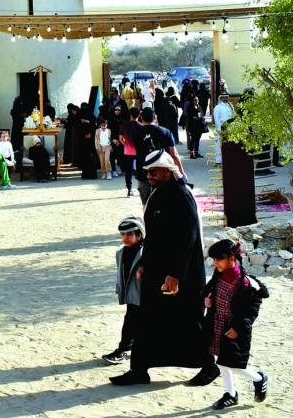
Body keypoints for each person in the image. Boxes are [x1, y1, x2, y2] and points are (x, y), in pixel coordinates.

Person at [109, 150, 218, 387]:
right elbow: (155, 237)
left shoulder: (181, 195)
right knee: (147, 320)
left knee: (188, 322)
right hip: (156, 272)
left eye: (154, 171)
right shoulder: (160, 192)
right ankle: (139, 369)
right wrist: (144, 265)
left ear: (168, 170)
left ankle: (209, 366)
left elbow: (186, 239)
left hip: (180, 276)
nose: (149, 176)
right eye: (147, 172)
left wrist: (174, 275)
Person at [203, 239, 270, 409]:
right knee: (221, 360)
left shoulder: (246, 284)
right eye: (214, 259)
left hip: (234, 329)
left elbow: (251, 311)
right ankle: (231, 394)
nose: (216, 263)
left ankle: (259, 378)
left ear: (232, 258)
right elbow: (211, 291)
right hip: (218, 323)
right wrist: (208, 300)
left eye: (219, 259)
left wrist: (237, 329)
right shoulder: (219, 274)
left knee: (235, 364)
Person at [102, 217, 144, 365]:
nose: (125, 238)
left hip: (142, 295)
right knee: (131, 321)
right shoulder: (120, 252)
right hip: (131, 295)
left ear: (139, 235)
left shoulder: (145, 254)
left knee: (132, 323)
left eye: (129, 234)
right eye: (122, 235)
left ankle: (124, 350)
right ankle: (126, 349)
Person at [128, 107, 187, 204]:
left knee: (146, 203)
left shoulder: (135, 133)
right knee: (166, 201)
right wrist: (181, 173)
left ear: (141, 118)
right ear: (155, 117)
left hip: (143, 172)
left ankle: (148, 218)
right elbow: (174, 154)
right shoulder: (165, 131)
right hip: (163, 172)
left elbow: (137, 150)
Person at [118, 108, 140, 197]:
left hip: (128, 151)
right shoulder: (140, 126)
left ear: (130, 115)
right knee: (141, 170)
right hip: (139, 151)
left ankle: (129, 190)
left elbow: (120, 138)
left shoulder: (124, 125)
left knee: (128, 171)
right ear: (138, 115)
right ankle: (141, 188)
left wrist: (126, 144)